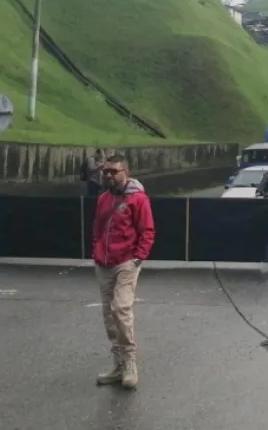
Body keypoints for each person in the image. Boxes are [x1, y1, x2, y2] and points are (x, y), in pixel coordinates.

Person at [92, 155, 155, 390]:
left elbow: (147, 230)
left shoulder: (138, 199)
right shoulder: (103, 199)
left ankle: (130, 363)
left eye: (114, 171)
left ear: (125, 172)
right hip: (103, 263)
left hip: (127, 262)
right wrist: (96, 251)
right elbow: (97, 228)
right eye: (106, 171)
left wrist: (138, 257)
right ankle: (118, 364)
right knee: (109, 316)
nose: (109, 175)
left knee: (121, 309)